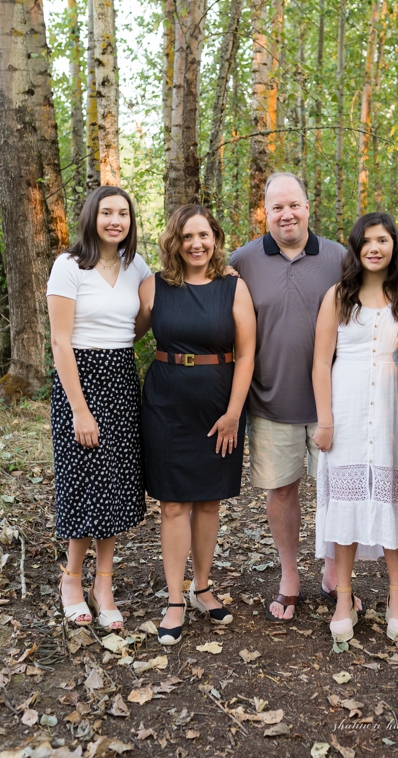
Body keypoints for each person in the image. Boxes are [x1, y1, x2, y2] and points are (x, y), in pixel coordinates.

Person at [228, 173, 351, 621]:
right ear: (265, 213)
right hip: (270, 401)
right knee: (282, 491)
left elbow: (385, 292)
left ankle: (335, 573)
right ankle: (289, 575)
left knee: (336, 491)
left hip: (332, 403)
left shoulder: (340, 258)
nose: (287, 215)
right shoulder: (242, 261)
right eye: (277, 207)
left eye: (294, 205)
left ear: (307, 206)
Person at [138, 204, 256, 645]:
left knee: (208, 503)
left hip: (217, 407)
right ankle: (174, 599)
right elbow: (122, 331)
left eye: (203, 235)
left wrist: (233, 413)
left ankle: (202, 587)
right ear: (174, 242)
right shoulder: (153, 286)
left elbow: (247, 353)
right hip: (165, 404)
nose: (196, 244)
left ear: (215, 238)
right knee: (172, 505)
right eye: (187, 236)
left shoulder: (233, 286)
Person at [312, 212, 398, 643]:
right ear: (356, 247)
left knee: (391, 499)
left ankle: (397, 599)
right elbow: (320, 362)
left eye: (383, 240)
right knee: (346, 505)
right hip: (345, 408)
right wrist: (325, 420)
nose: (375, 248)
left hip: (394, 412)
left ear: (394, 245)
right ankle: (343, 599)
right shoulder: (338, 296)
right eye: (367, 241)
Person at [47, 186, 150, 632]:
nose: (115, 220)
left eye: (122, 213)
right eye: (107, 212)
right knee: (83, 481)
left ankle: (103, 585)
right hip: (80, 379)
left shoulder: (136, 266)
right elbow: (59, 341)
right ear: (92, 216)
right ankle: (71, 579)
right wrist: (80, 410)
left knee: (116, 484)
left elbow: (140, 321)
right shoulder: (69, 266)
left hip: (122, 377)